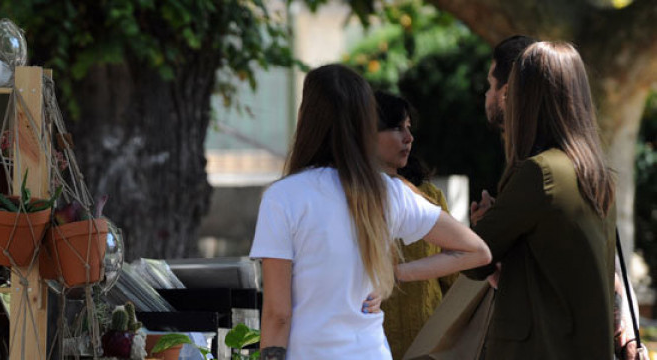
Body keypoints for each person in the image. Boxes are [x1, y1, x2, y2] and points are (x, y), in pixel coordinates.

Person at [250, 64, 491, 360]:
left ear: (308, 117)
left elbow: (278, 314)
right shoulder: (389, 191)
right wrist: (396, 273)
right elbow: (476, 251)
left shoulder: (283, 197)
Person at [462, 42, 616, 359]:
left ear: (529, 98)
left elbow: (475, 259)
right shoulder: (596, 175)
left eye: (513, 90)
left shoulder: (540, 173)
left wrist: (480, 224)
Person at [374, 91, 455, 360]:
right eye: (397, 127)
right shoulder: (344, 199)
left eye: (409, 128)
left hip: (428, 347)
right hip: (368, 346)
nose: (409, 138)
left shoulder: (429, 198)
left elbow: (455, 278)